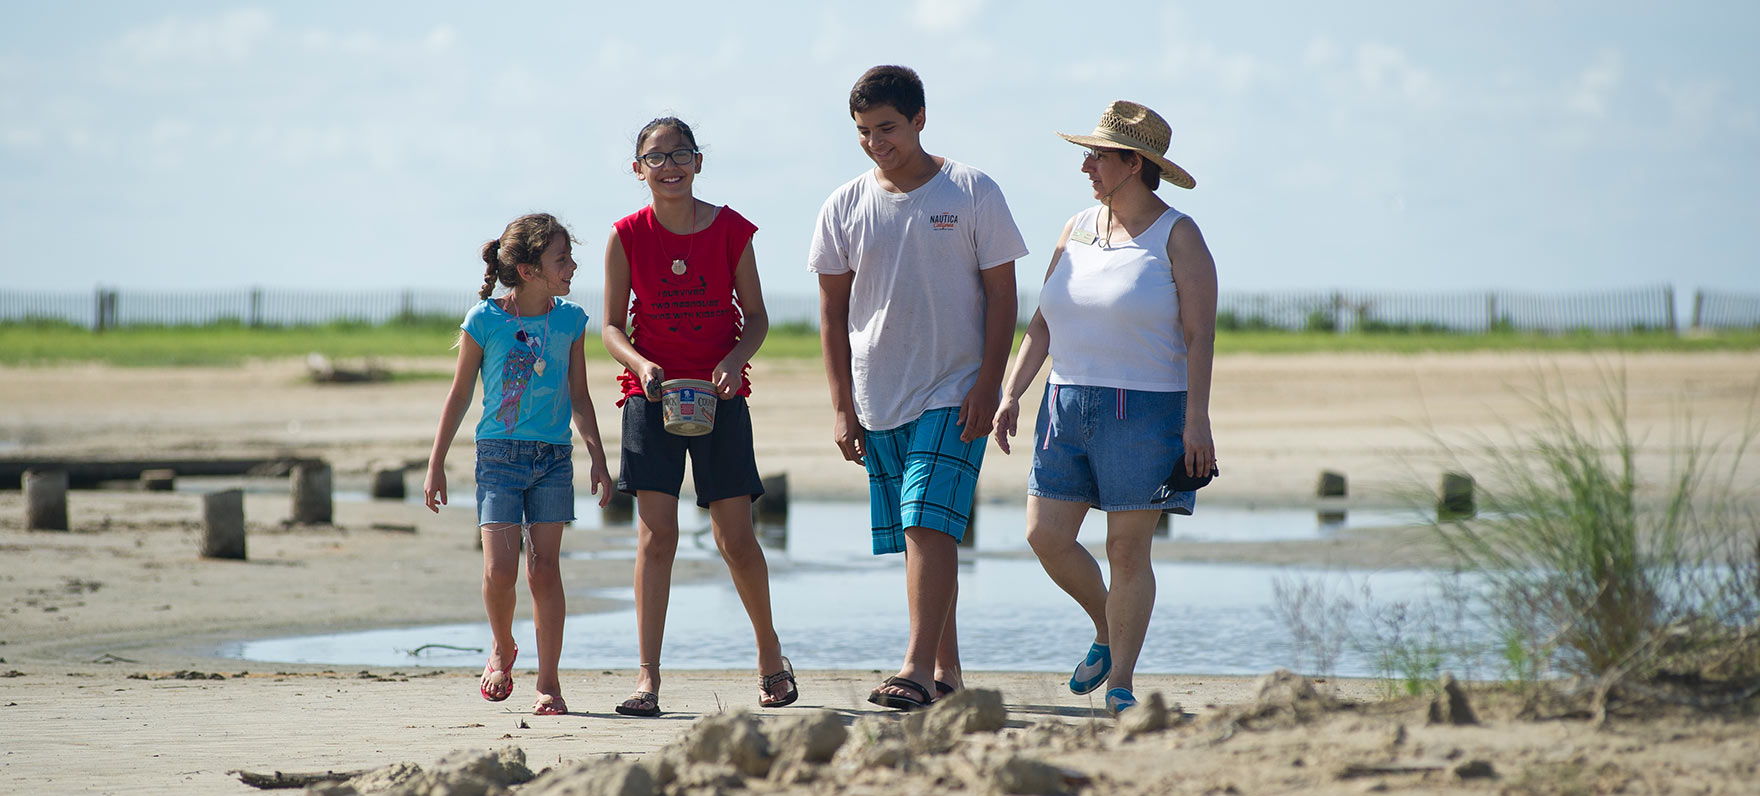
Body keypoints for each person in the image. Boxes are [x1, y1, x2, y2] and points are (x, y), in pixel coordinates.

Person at [810, 65, 1028, 711]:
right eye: (864, 132)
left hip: (955, 389)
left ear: (920, 120)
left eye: (888, 128)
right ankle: (947, 673)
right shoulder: (843, 205)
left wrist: (989, 385)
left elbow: (1002, 296)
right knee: (923, 532)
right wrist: (842, 408)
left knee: (926, 524)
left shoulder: (971, 191)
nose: (877, 142)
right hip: (879, 394)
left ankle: (912, 668)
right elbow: (830, 312)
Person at [992, 100, 1219, 716]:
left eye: (1097, 155)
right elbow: (1041, 322)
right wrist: (1012, 392)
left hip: (1147, 410)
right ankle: (1105, 625)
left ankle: (1120, 681)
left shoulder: (1179, 235)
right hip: (1064, 403)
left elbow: (1201, 336)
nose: (1086, 165)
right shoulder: (1075, 228)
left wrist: (1197, 422)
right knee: (1045, 535)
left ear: (1134, 163)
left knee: (1127, 550)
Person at [602, 116, 797, 717]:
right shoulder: (626, 235)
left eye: (681, 154)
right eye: (656, 158)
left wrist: (736, 360)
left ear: (699, 162)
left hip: (722, 399)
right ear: (639, 170)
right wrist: (643, 363)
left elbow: (757, 317)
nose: (670, 166)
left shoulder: (733, 230)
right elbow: (609, 326)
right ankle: (647, 681)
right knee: (655, 536)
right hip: (650, 397)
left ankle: (771, 662)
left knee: (735, 536)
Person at [423, 213, 616, 716]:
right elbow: (460, 393)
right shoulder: (485, 320)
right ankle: (503, 647)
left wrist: (597, 456)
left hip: (553, 460)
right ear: (529, 269)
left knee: (544, 572)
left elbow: (580, 395)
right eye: (561, 259)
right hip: (498, 460)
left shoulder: (571, 320)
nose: (572, 266)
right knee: (499, 571)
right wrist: (436, 462)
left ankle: (548, 684)